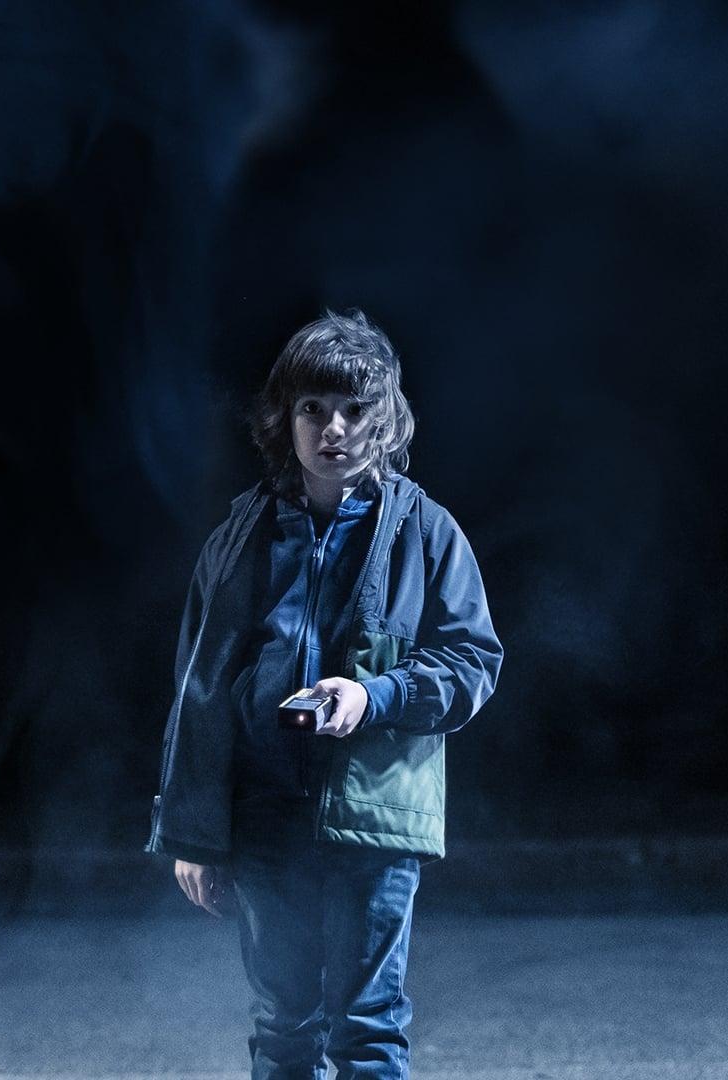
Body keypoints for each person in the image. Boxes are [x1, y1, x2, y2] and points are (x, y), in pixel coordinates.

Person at [146, 309, 504, 1079]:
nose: (333, 428)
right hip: (264, 823)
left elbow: (473, 662)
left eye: (353, 408)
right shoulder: (240, 538)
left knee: (368, 1030)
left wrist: (374, 696)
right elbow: (197, 692)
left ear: (385, 417)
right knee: (283, 1029)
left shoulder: (427, 533)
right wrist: (194, 834)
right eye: (313, 407)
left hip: (372, 822)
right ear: (286, 416)